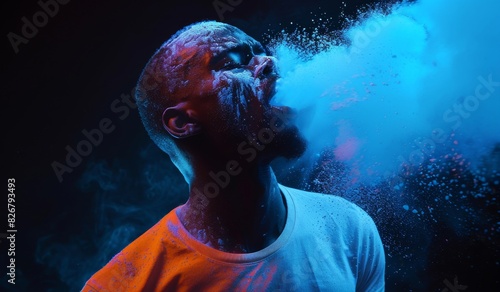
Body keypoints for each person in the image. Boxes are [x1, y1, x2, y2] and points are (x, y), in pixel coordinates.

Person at [82, 21, 385, 291]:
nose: (270, 63)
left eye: (261, 53)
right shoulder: (122, 285)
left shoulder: (347, 229)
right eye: (231, 63)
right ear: (182, 123)